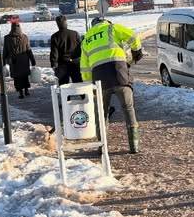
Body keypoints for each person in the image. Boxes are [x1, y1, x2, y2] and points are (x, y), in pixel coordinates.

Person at [79, 16, 143, 153]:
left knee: (102, 114)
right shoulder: (112, 28)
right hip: (119, 73)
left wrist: (91, 86)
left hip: (99, 79)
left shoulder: (86, 39)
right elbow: (133, 36)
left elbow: (84, 68)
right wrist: (136, 51)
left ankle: (102, 147)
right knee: (128, 108)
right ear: (105, 22)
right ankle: (134, 146)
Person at [2, 20, 36, 99]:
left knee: (17, 78)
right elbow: (29, 50)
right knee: (24, 76)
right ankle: (27, 90)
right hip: (24, 61)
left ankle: (21, 93)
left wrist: (4, 62)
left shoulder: (7, 38)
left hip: (14, 62)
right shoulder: (24, 37)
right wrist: (33, 60)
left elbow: (5, 51)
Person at [49, 15, 82, 85]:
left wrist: (54, 64)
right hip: (75, 63)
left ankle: (66, 96)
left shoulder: (55, 36)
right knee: (78, 83)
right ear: (66, 22)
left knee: (64, 86)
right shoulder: (74, 33)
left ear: (57, 24)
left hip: (62, 64)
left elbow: (54, 52)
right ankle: (82, 95)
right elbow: (80, 48)